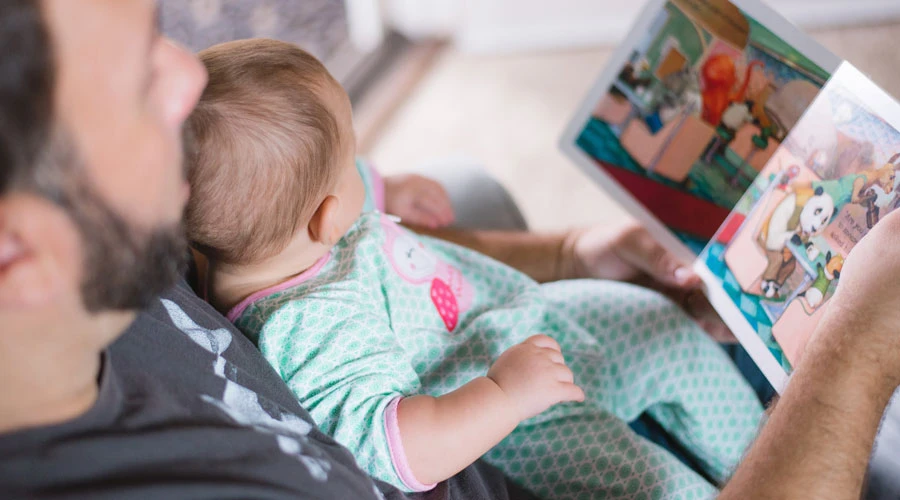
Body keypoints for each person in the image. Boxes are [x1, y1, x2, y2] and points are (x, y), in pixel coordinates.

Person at [0, 1, 898, 499]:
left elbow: (347, 233)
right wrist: (860, 347)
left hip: (512, 326)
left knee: (673, 321)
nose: (186, 73)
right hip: (518, 418)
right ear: (19, 251)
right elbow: (388, 432)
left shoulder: (170, 209)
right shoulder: (292, 343)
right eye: (132, 81)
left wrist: (571, 249)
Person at [184, 38, 763, 498]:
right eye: (352, 157)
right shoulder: (308, 327)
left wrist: (385, 188)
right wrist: (504, 394)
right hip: (519, 421)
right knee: (660, 489)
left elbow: (315, 184)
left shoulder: (268, 235)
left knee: (661, 325)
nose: (361, 165)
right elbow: (395, 449)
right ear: (327, 219)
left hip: (514, 317)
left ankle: (761, 454)